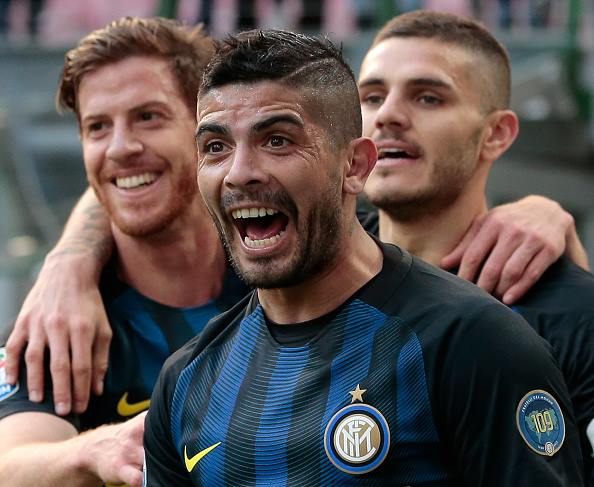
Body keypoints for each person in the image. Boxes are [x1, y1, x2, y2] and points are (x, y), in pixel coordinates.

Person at [142, 28, 583, 485]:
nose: (239, 173)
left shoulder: (474, 345)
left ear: (355, 166)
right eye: (216, 147)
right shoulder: (185, 380)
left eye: (277, 140)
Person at [0, 17, 247, 487]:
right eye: (97, 127)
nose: (120, 148)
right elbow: (11, 464)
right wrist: (96, 449)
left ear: (206, 130)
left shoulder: (284, 266)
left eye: (147, 117)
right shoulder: (58, 324)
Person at [357, 10, 594, 483]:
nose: (387, 115)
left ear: (496, 134)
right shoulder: (301, 272)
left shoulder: (575, 314)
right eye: (372, 96)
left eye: (428, 97)